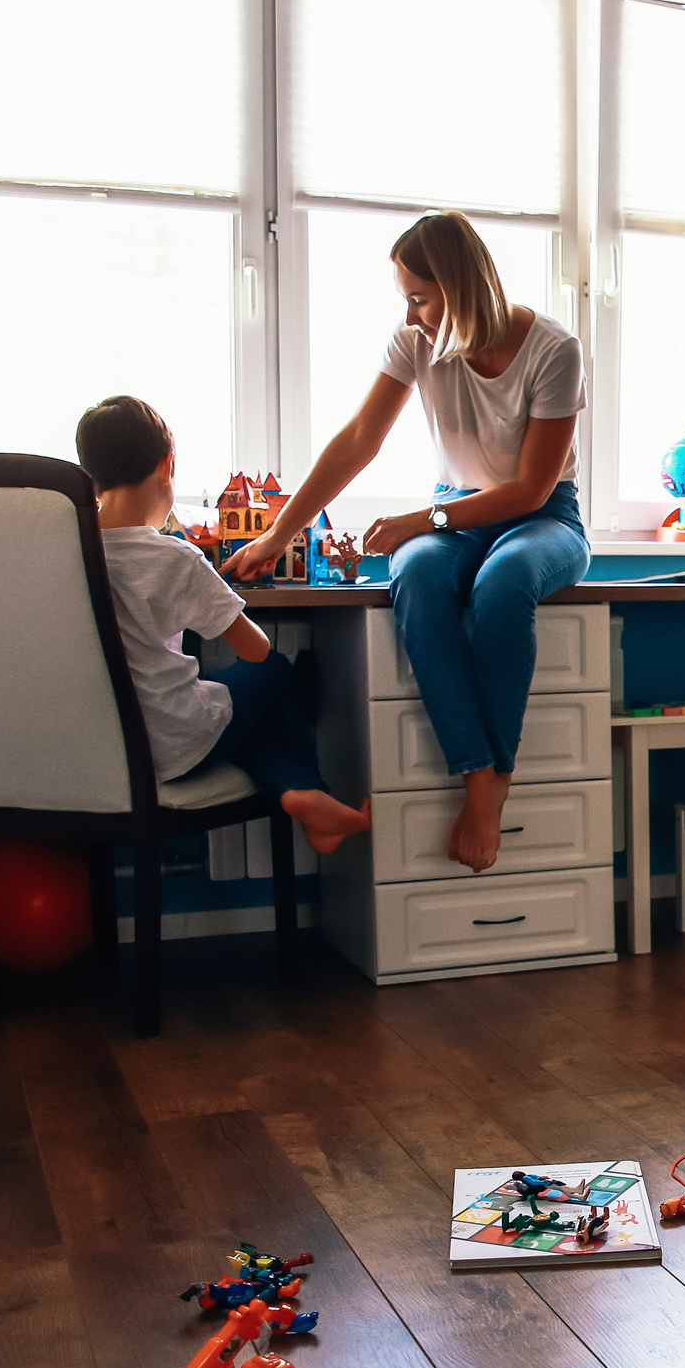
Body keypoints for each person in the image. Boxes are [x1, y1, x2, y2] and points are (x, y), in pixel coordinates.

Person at [228, 211, 588, 873]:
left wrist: (421, 520)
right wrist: (281, 532)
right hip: (455, 510)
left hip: (543, 518)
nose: (413, 314)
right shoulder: (415, 343)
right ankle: (478, 773)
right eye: (408, 300)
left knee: (503, 585)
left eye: (420, 297)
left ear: (459, 285)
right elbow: (359, 439)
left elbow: (532, 488)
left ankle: (493, 781)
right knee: (415, 574)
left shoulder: (554, 350)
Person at [78, 396, 369, 855]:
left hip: (108, 747)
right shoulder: (174, 557)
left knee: (225, 713)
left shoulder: (70, 551)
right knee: (276, 673)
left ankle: (299, 794)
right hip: (172, 743)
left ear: (90, 476)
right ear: (166, 466)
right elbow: (255, 650)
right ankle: (314, 790)